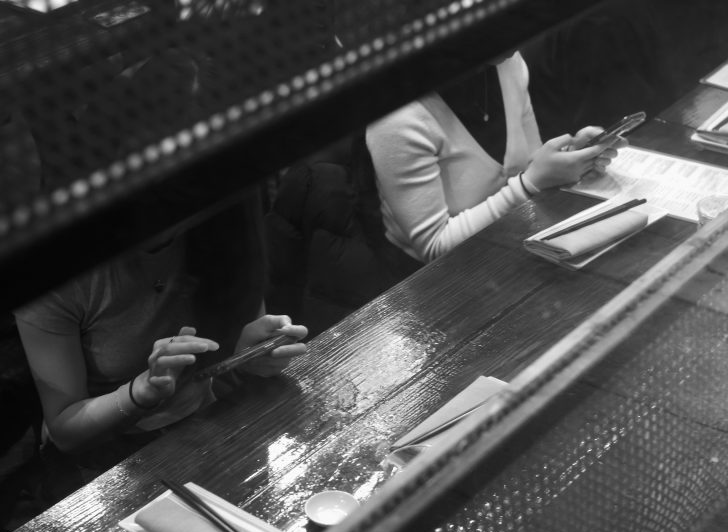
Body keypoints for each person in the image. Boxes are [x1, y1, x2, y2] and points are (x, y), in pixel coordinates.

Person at [12, 48, 309, 482]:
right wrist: (142, 392)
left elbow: (238, 334)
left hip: (211, 430)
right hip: (106, 469)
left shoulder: (224, 217)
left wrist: (254, 351)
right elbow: (65, 430)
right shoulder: (59, 266)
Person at [365, 49, 626, 265]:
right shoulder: (397, 117)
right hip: (430, 278)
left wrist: (572, 156)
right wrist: (530, 183)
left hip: (512, 236)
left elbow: (530, 167)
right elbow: (434, 247)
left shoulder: (507, 63)